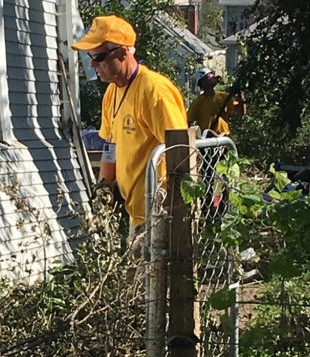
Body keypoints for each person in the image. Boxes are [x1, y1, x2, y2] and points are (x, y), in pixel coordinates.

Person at [72, 15, 188, 237]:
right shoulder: (112, 92)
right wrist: (103, 189)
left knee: (149, 272)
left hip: (160, 214)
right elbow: (111, 145)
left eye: (98, 56)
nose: (92, 64)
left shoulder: (153, 91)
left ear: (123, 53)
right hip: (137, 214)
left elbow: (181, 152)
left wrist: (177, 213)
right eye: (90, 56)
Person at [187, 67, 246, 136]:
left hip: (223, 138)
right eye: (210, 76)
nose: (213, 77)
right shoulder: (198, 102)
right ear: (203, 83)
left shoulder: (223, 96)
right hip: (206, 140)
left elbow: (242, 111)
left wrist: (241, 95)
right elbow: (187, 121)